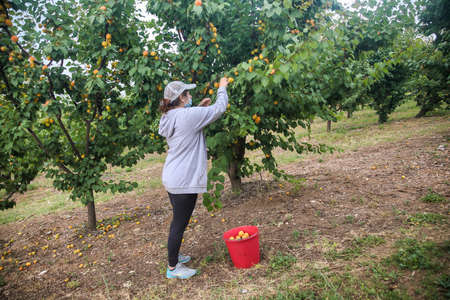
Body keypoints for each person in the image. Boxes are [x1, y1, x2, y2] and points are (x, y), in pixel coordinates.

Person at [158, 77, 229, 279]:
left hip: (173, 177)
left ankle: (175, 257)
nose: (190, 96)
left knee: (177, 222)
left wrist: (197, 108)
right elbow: (219, 109)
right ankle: (173, 268)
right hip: (183, 180)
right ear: (181, 98)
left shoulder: (170, 116)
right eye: (188, 94)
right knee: (179, 224)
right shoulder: (186, 116)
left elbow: (185, 124)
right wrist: (222, 88)